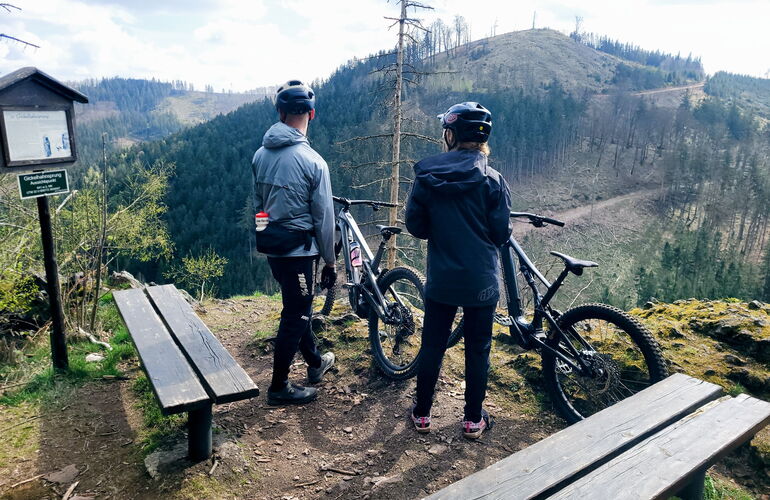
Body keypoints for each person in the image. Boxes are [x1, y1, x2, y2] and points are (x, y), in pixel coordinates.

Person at [405, 102, 512, 439]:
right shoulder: (494, 181)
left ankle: (422, 414)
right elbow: (500, 234)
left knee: (433, 344)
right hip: (481, 280)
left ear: (450, 135)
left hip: (442, 278)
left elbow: (416, 227)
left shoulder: (427, 178)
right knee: (478, 349)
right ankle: (472, 420)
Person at [251, 80, 337, 405]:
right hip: (299, 252)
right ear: (311, 114)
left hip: (274, 246)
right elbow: (324, 218)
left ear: (280, 112)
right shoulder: (314, 162)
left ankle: (315, 364)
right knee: (297, 314)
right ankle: (279, 387)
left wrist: (263, 233)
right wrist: (329, 261)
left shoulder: (261, 154)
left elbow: (259, 204)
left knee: (297, 308)